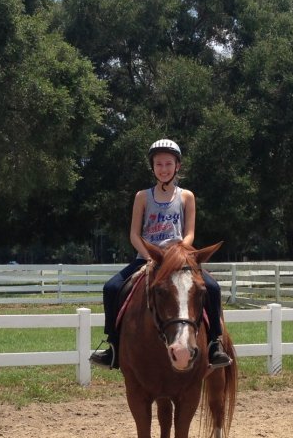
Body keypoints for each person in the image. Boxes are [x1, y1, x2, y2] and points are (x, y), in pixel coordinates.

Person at [90, 138, 232, 370]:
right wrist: (147, 254)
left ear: (177, 166)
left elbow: (189, 234)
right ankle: (113, 345)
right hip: (147, 258)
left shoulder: (187, 196)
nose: (163, 169)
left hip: (179, 259)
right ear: (153, 167)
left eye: (168, 164)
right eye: (159, 164)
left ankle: (215, 344)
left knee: (213, 288)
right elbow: (135, 234)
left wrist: (178, 253)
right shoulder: (142, 197)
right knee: (112, 288)